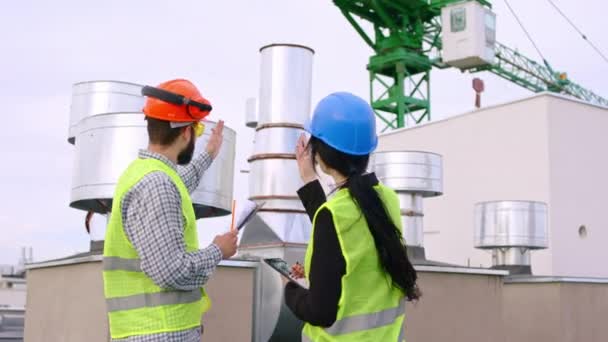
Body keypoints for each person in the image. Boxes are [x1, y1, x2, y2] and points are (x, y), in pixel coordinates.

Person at [102, 79, 238, 341]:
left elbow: (176, 190)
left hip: (148, 330)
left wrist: (208, 155)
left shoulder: (144, 173)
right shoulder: (157, 184)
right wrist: (218, 250)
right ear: (186, 132)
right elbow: (171, 272)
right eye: (197, 131)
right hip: (160, 331)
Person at [284, 92, 421, 341]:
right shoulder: (386, 199)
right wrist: (309, 181)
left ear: (320, 152)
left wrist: (290, 288)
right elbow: (348, 230)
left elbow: (320, 312)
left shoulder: (334, 216)